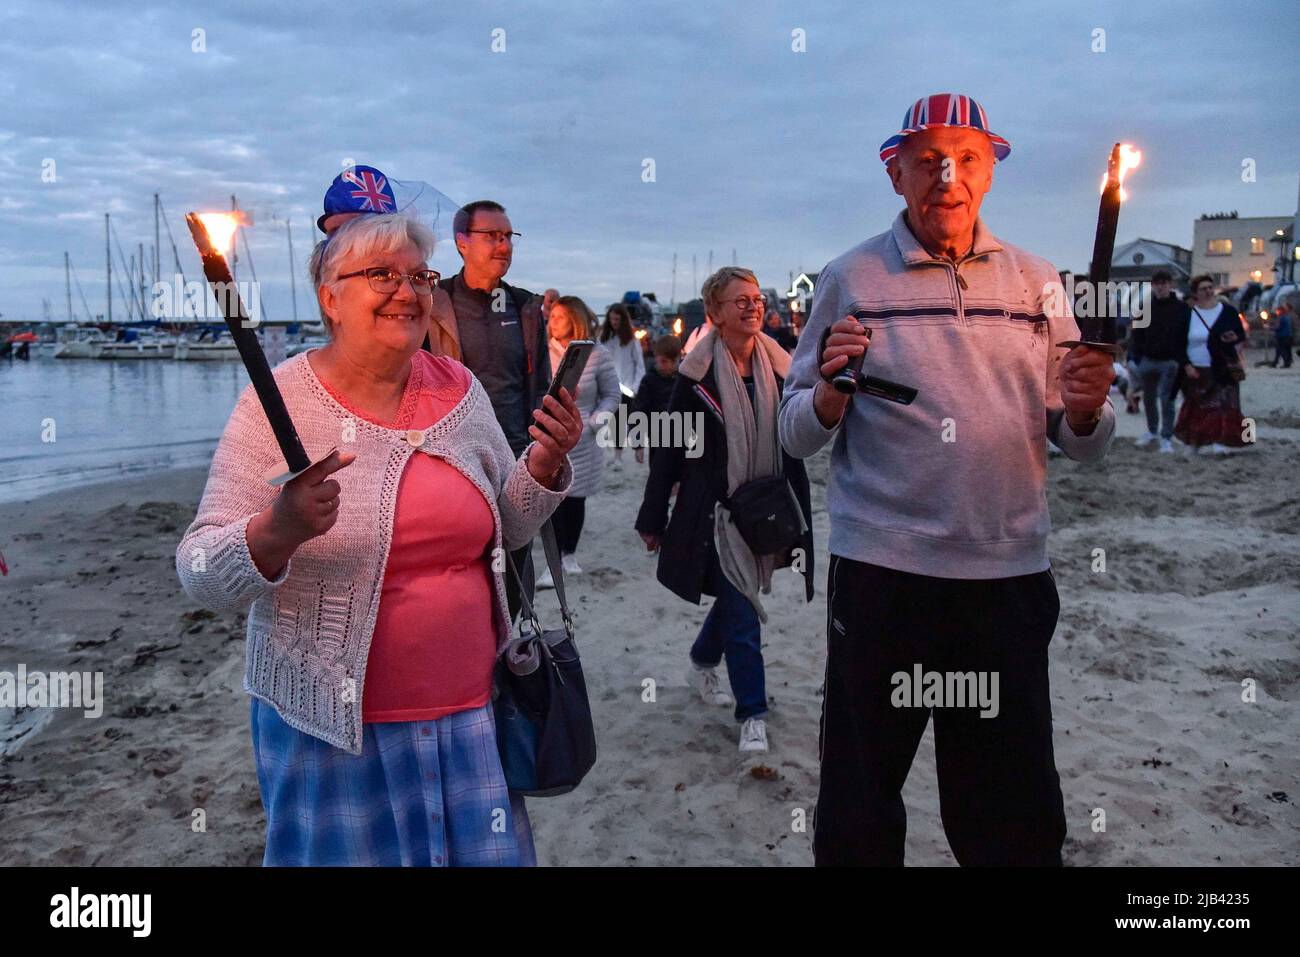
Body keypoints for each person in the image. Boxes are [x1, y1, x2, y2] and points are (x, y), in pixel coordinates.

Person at [176, 209, 582, 866]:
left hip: (474, 716)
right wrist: (276, 530)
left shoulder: (460, 390)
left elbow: (507, 527)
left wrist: (541, 465)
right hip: (332, 732)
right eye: (382, 275)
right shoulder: (278, 402)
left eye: (419, 276)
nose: (407, 291)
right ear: (329, 298)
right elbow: (199, 571)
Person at [780, 94, 1115, 866]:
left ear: (990, 172)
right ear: (895, 173)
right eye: (927, 160)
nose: (947, 177)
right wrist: (829, 395)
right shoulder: (850, 277)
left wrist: (1087, 412)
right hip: (882, 579)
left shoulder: (1037, 282)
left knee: (1012, 811)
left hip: (1006, 579)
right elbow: (791, 431)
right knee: (861, 802)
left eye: (967, 159)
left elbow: (1081, 441)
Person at [636, 267, 815, 754]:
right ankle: (752, 712)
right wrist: (653, 517)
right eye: (740, 300)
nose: (753, 306)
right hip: (717, 513)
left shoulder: (782, 366)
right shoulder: (696, 374)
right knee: (742, 607)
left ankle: (701, 659)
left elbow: (799, 436)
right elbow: (669, 449)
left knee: (739, 594)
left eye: (756, 299)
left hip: (769, 506)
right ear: (715, 313)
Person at [423, 199, 552, 619]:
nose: (504, 245)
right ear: (462, 242)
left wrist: (545, 450)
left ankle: (508, 647)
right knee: (462, 576)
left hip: (517, 458)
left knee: (515, 570)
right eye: (492, 236)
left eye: (508, 236)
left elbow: (542, 387)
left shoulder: (525, 308)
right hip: (455, 461)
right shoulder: (433, 303)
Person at [538, 295, 620, 585]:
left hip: (584, 437)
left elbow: (612, 394)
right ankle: (554, 560)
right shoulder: (541, 351)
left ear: (575, 319)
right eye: (552, 316)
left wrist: (595, 422)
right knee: (551, 498)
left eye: (560, 316)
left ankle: (568, 554)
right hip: (548, 435)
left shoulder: (597, 354)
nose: (553, 321)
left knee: (575, 498)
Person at [1174, 274, 1248, 455]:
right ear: (1195, 293)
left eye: (1210, 287)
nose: (1208, 291)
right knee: (1196, 406)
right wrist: (1186, 365)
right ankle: (1194, 443)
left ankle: (1219, 441)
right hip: (1196, 367)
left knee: (1222, 406)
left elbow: (1240, 334)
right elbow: (1177, 343)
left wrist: (1233, 337)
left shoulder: (1228, 311)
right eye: (1203, 289)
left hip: (1222, 367)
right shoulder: (1187, 315)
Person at [1129, 269, 1190, 453]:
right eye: (1157, 283)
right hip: (1148, 359)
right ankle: (1152, 431)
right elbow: (1137, 334)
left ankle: (1166, 436)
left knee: (1167, 400)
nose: (1160, 287)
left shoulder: (1181, 308)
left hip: (1170, 361)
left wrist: (1180, 359)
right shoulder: (1145, 307)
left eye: (1164, 283)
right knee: (1148, 399)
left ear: (1170, 285)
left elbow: (1186, 334)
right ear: (1153, 286)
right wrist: (1137, 357)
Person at [599, 303, 645, 461]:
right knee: (614, 421)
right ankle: (616, 456)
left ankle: (635, 451)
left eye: (617, 319)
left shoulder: (632, 339)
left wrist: (636, 387)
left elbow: (639, 364)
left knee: (630, 420)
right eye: (612, 319)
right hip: (610, 386)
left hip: (628, 387)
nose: (614, 322)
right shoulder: (604, 338)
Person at [630, 334, 682, 466]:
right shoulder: (649, 380)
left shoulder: (684, 379)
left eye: (665, 362)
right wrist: (638, 443)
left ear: (676, 360)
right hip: (657, 440)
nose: (660, 365)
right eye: (659, 361)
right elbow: (638, 411)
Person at [1266, 299, 1294, 368]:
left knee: (1282, 350)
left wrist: (1269, 327)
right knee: (1280, 350)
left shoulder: (1281, 318)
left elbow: (1278, 327)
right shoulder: (1287, 317)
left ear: (1281, 311)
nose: (1276, 312)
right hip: (1288, 336)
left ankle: (1286, 363)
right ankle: (1275, 363)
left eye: (1277, 311)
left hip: (1282, 336)